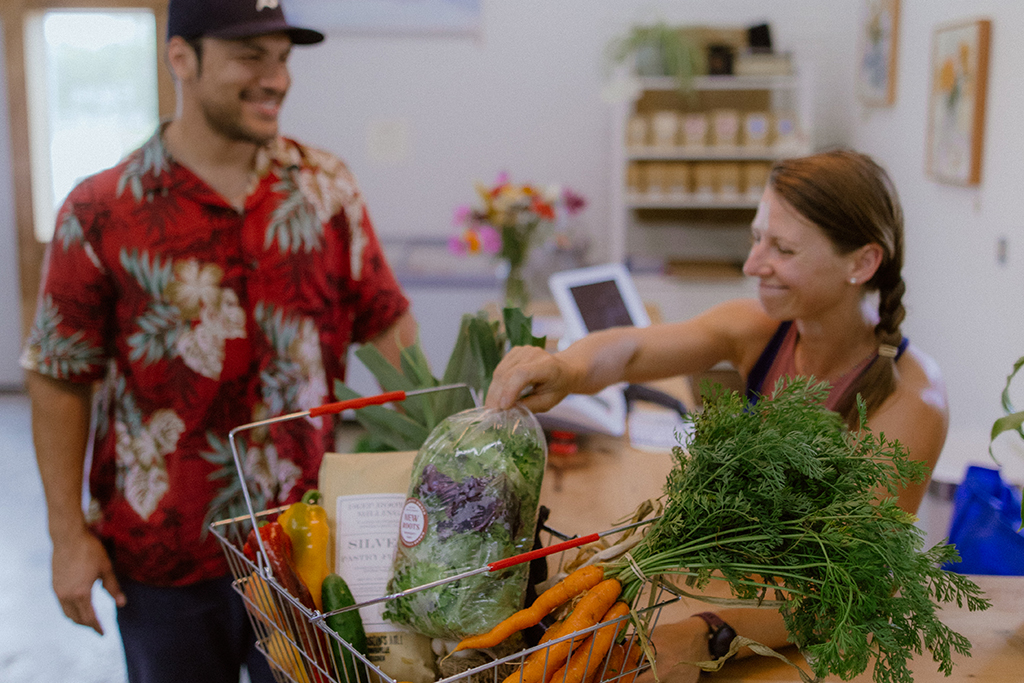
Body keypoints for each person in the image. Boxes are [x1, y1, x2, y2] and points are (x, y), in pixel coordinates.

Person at [20, 1, 418, 681]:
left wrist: (426, 465)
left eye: (283, 58)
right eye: (249, 56)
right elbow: (60, 374)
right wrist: (67, 536)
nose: (277, 79)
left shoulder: (327, 189)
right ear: (182, 59)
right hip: (163, 556)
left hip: (307, 542)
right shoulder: (100, 208)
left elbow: (383, 321)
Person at [485, 149, 948, 681]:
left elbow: (849, 581)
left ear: (862, 263)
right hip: (734, 588)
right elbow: (632, 350)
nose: (753, 264)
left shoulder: (912, 401)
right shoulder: (763, 329)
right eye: (757, 238)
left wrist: (707, 633)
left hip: (805, 644)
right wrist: (564, 369)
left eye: (783, 248)